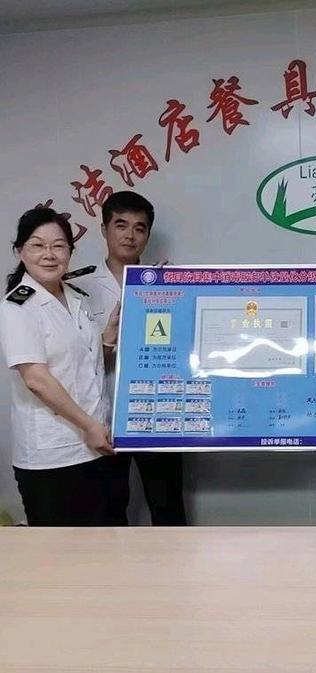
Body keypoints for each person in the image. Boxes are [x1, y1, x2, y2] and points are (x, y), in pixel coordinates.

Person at [69, 190, 187, 526]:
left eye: (139, 228)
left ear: (147, 235)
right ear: (104, 229)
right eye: (120, 225)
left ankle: (174, 560)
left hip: (157, 412)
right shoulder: (78, 288)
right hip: (102, 416)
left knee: (167, 507)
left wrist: (178, 294)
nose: (130, 235)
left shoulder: (165, 284)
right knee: (108, 508)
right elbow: (73, 360)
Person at [0, 207, 120, 526]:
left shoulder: (77, 297)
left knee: (105, 545)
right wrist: (89, 426)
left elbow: (83, 365)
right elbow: (36, 379)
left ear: (70, 251)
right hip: (52, 457)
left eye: (58, 246)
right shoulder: (17, 306)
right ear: (20, 251)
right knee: (59, 553)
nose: (49, 255)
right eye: (38, 245)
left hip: (95, 447)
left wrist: (107, 338)